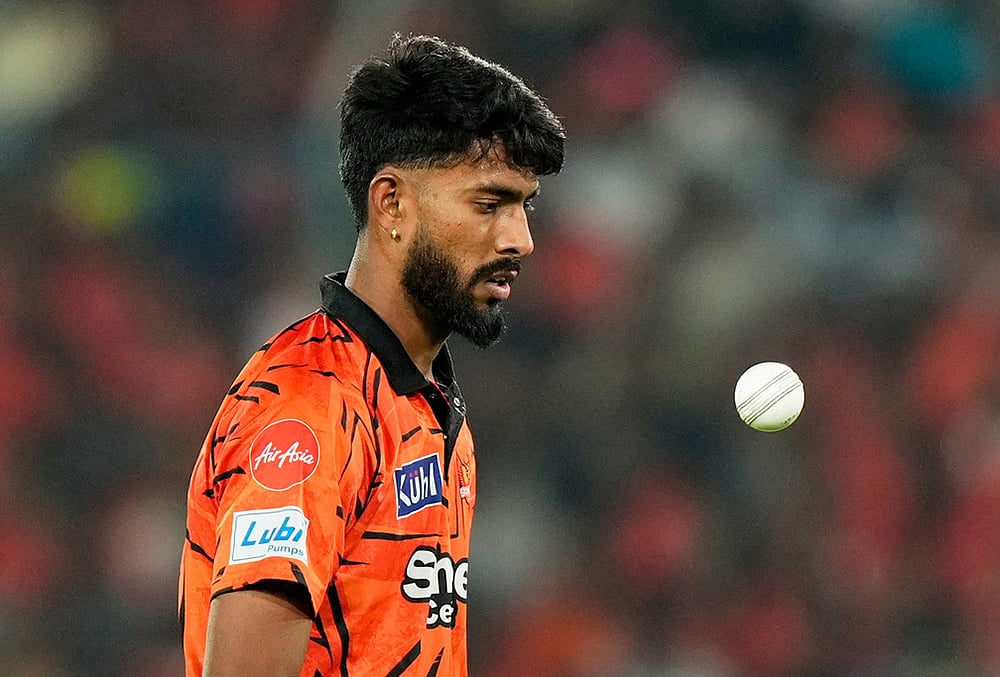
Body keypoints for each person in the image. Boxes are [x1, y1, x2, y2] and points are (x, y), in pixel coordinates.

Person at [179, 33, 565, 676]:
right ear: (393, 203)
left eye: (526, 206)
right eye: (490, 202)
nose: (521, 239)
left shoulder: (426, 407)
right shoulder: (309, 403)